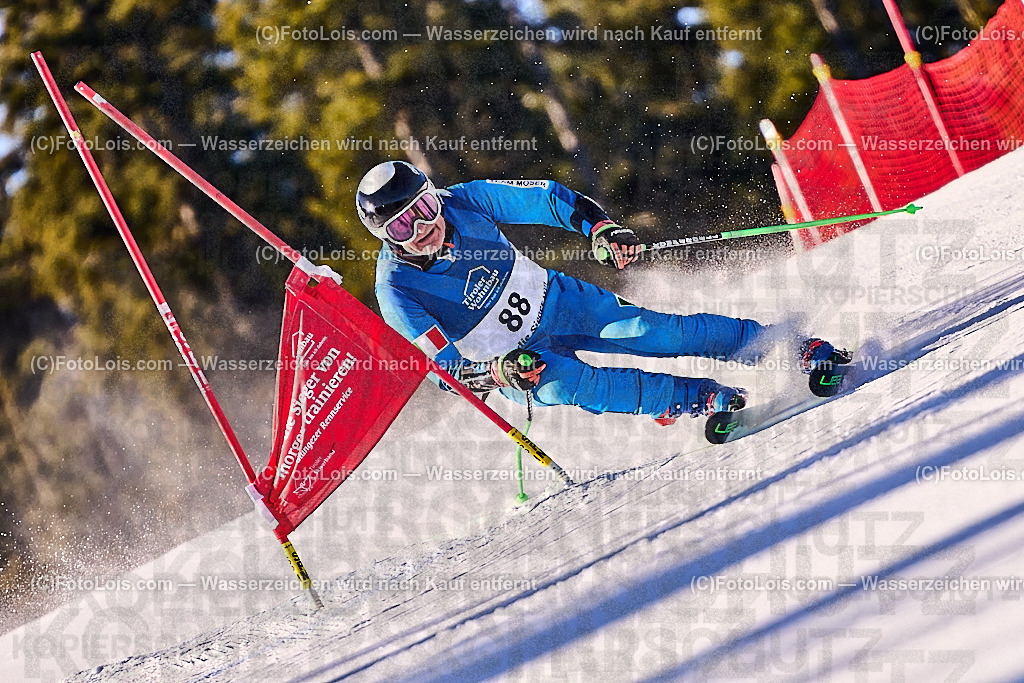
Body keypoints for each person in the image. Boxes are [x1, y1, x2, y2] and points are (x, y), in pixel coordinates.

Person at [357, 160, 848, 424]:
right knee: (581, 387)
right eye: (401, 227)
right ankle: (695, 398)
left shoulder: (463, 201)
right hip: (520, 362)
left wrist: (600, 229)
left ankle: (789, 348)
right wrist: (496, 369)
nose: (422, 228)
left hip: (563, 304)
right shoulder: (396, 290)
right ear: (385, 239)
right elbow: (442, 372)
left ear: (432, 195)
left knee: (657, 333)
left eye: (423, 208)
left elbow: (548, 197)